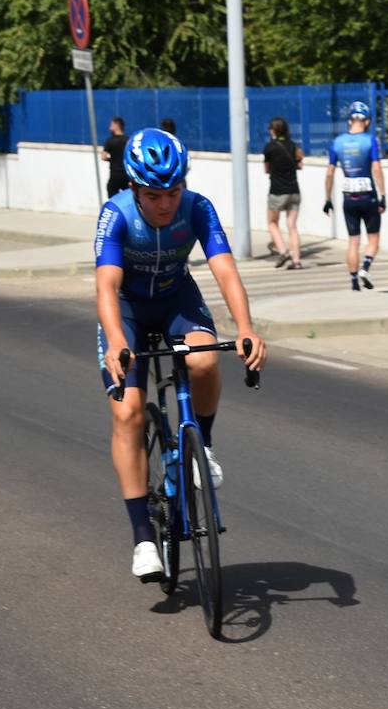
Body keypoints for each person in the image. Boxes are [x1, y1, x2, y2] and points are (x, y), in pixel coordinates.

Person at [95, 128, 267, 581]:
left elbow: (225, 271)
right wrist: (116, 340)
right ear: (134, 187)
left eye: (173, 191)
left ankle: (200, 451)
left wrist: (245, 328)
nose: (166, 203)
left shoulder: (197, 208)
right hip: (128, 312)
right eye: (154, 195)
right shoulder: (116, 215)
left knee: (206, 358)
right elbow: (107, 286)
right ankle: (143, 540)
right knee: (128, 413)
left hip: (175, 301)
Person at [323, 100, 384, 291]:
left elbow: (330, 172)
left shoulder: (337, 142)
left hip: (348, 196)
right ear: (366, 121)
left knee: (353, 240)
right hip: (368, 194)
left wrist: (327, 199)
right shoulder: (370, 140)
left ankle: (354, 281)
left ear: (350, 120)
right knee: (373, 238)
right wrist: (383, 195)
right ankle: (365, 267)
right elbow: (376, 168)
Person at [262, 116, 304, 269]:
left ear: (273, 130)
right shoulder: (293, 146)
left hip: (277, 192)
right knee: (292, 226)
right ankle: (297, 261)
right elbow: (300, 166)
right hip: (294, 191)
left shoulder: (269, 148)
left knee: (272, 223)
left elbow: (266, 170)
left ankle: (283, 251)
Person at [101, 116, 129, 198]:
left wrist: (111, 159)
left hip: (115, 174)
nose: (110, 127)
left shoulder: (110, 141)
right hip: (127, 174)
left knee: (112, 197)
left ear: (117, 125)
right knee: (128, 197)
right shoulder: (128, 140)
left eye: (111, 125)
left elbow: (103, 156)